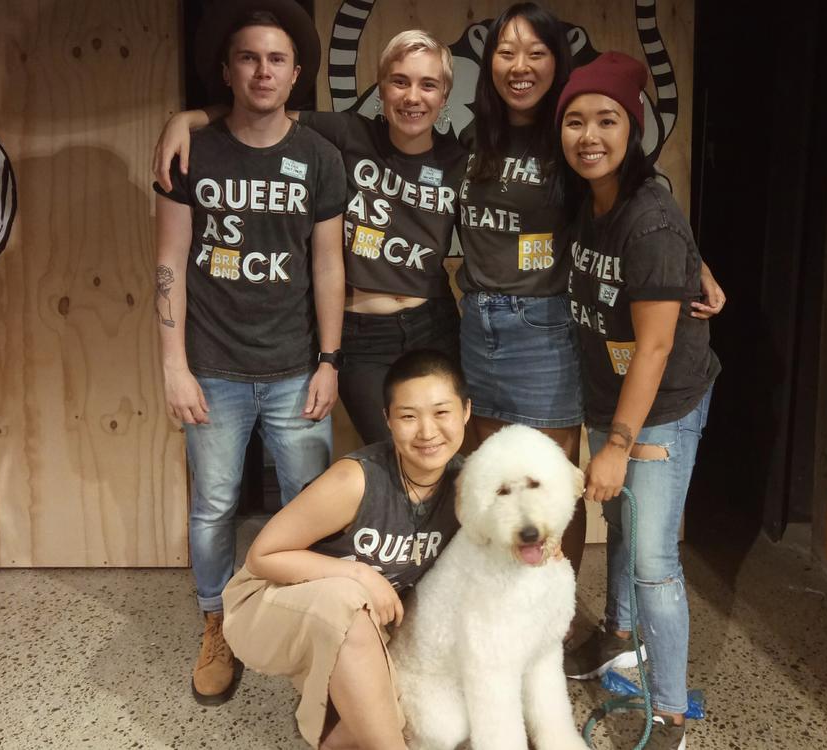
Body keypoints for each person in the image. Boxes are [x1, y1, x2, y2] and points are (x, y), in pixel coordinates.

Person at [456, 2, 724, 577]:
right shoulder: (473, 137)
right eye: (506, 52)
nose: (520, 66)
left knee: (551, 481)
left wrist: (694, 264)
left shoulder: (570, 135)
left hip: (544, 325)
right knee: (494, 476)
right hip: (477, 323)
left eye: (536, 52)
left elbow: (634, 198)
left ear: (558, 60)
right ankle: (506, 604)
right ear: (489, 62)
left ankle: (556, 608)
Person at [152, 0, 346, 705]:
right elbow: (169, 262)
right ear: (228, 70)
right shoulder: (191, 152)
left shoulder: (320, 157)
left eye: (276, 59)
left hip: (297, 369)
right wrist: (173, 366)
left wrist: (330, 361)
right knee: (214, 507)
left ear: (296, 74)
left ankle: (306, 622)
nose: (263, 71)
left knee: (309, 504)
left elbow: (328, 264)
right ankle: (216, 622)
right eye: (248, 58)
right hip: (212, 369)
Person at [154, 31, 466, 446]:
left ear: (444, 96)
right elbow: (262, 109)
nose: (413, 96)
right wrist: (187, 119)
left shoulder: (458, 160)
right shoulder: (348, 133)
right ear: (381, 88)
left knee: (438, 449)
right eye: (399, 81)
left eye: (428, 84)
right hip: (362, 333)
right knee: (392, 449)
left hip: (434, 326)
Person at [556, 52, 721, 749]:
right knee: (622, 528)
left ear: (634, 129)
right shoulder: (585, 196)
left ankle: (672, 714)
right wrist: (698, 265)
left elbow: (654, 348)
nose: (589, 135)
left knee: (653, 561)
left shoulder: (649, 221)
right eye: (575, 121)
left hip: (661, 407)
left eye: (607, 120)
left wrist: (620, 444)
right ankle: (618, 637)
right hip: (610, 391)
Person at [221, 349, 470, 749]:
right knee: (349, 604)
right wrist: (359, 574)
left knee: (390, 718)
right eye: (408, 416)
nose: (427, 431)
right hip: (268, 601)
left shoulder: (468, 485)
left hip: (363, 622)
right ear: (388, 420)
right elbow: (262, 556)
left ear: (466, 412)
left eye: (442, 412)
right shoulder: (355, 480)